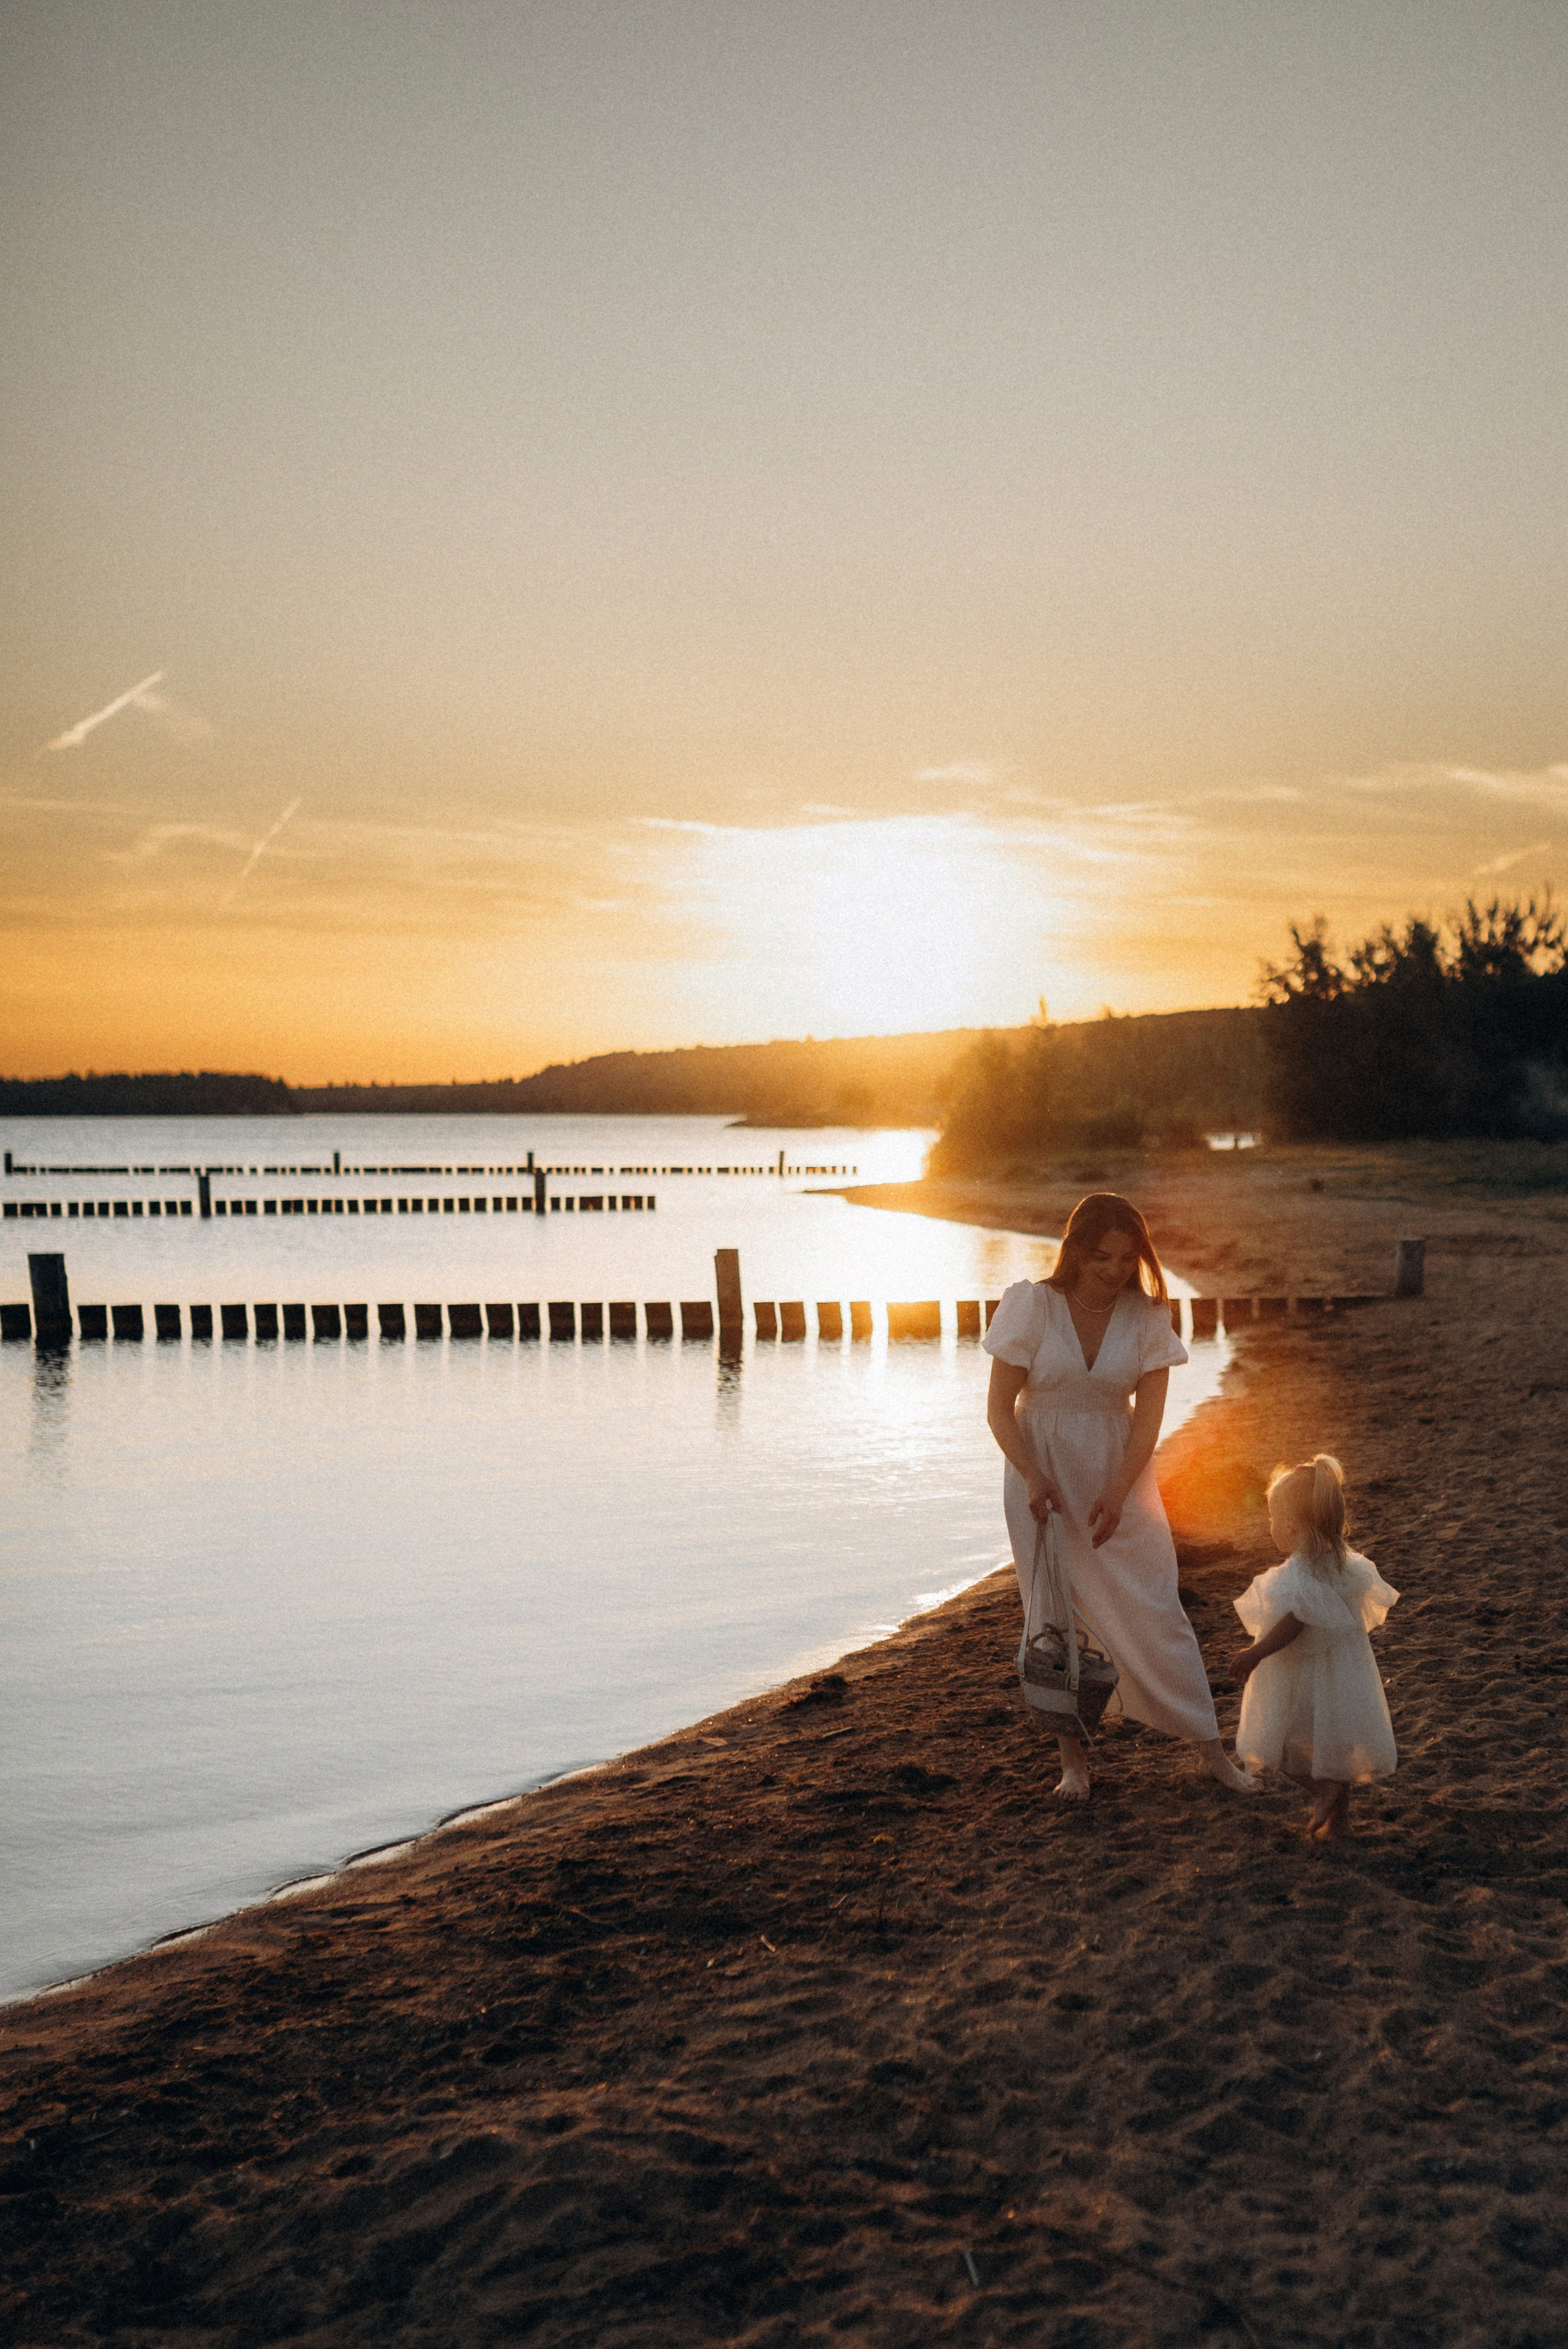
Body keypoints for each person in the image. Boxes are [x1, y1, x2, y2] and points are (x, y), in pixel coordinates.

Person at [984, 1192, 1256, 1802]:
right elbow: (999, 1409)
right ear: (1076, 1250)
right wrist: (1031, 1473)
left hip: (1119, 1470)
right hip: (1040, 1475)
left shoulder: (1147, 1316)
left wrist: (1116, 1490)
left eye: (1126, 1258)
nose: (1113, 1269)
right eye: (1101, 1256)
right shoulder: (1032, 1305)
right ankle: (1073, 1766)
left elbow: (1147, 1421)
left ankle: (1213, 1753)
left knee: (1156, 1606)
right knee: (1055, 1616)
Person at [1231, 1455, 1398, 1839]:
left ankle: (1323, 1790)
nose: (1270, 1526)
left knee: (1282, 1740)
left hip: (1300, 1673)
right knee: (1334, 1745)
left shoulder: (1299, 1573)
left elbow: (1294, 1622)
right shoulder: (1345, 1564)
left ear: (1289, 1526)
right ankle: (1339, 1823)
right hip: (1341, 1673)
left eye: (1272, 1519)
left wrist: (1256, 1653)